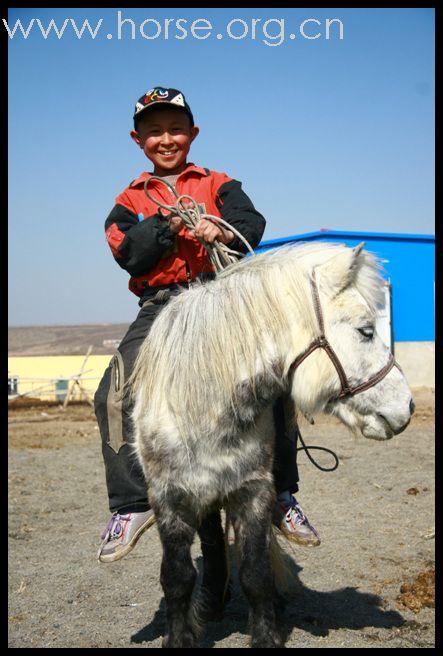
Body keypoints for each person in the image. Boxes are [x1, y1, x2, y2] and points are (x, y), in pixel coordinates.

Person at [95, 86, 320, 563]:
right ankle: (132, 504)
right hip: (161, 306)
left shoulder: (219, 182)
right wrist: (169, 225)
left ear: (192, 133)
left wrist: (219, 228)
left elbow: (250, 222)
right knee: (112, 394)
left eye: (175, 128)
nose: (166, 139)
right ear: (138, 140)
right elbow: (127, 253)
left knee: (275, 384)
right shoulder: (129, 198)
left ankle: (281, 493)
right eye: (154, 131)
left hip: (221, 298)